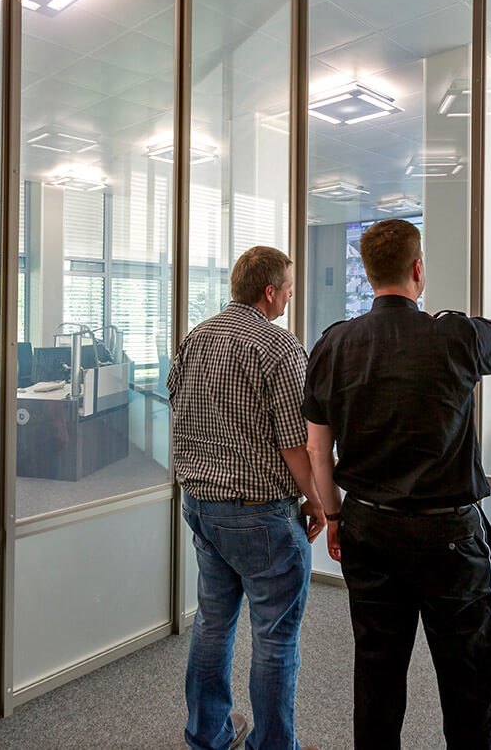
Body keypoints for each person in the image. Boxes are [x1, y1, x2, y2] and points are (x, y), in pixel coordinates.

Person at [302, 219, 491, 749]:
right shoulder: (456, 335)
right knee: (471, 689)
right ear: (418, 269)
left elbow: (316, 449)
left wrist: (333, 517)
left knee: (376, 685)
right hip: (449, 541)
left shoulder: (334, 344)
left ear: (369, 272)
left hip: (368, 531)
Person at [169, 245, 326, 750]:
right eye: (289, 289)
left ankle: (206, 734)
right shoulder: (278, 347)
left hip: (201, 507)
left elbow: (176, 409)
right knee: (275, 638)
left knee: (212, 626)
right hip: (260, 515)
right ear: (269, 291)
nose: (290, 297)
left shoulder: (195, 338)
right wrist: (317, 501)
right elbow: (295, 444)